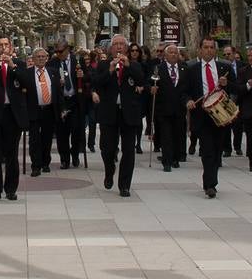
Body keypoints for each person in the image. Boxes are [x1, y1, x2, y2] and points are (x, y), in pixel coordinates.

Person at [92, 34, 145, 197]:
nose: (119, 47)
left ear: (127, 48)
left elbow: (141, 81)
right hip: (109, 112)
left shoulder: (134, 65)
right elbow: (96, 83)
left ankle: (124, 185)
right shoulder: (103, 65)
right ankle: (109, 171)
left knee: (129, 151)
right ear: (111, 48)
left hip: (129, 113)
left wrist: (128, 66)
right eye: (116, 44)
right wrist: (109, 71)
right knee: (107, 148)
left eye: (122, 44)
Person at [0, 35, 29, 202]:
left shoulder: (20, 65)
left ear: (10, 47)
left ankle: (11, 189)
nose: (3, 48)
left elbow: (27, 83)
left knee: (11, 154)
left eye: (5, 45)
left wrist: (13, 67)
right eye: (0, 45)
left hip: (12, 115)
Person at [186, 39, 232, 194]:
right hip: (201, 114)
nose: (209, 50)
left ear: (215, 50)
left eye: (212, 47)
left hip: (220, 114)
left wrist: (226, 85)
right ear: (200, 49)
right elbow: (184, 91)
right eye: (205, 47)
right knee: (207, 150)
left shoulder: (224, 67)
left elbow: (236, 88)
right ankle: (210, 184)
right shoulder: (191, 69)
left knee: (217, 149)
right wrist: (189, 100)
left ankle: (212, 179)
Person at [152, 44, 189, 174]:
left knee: (178, 134)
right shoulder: (158, 68)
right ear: (166, 55)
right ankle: (166, 161)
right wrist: (152, 89)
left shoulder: (184, 68)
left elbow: (187, 87)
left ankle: (175, 158)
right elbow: (151, 83)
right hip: (164, 108)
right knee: (166, 135)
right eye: (171, 52)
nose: (173, 55)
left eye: (175, 53)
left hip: (179, 108)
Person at [23, 47, 60, 176]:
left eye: (43, 56)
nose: (40, 59)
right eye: (38, 57)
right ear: (33, 59)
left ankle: (45, 163)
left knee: (47, 138)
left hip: (49, 110)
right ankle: (35, 165)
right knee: (34, 139)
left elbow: (58, 93)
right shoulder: (27, 73)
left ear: (47, 58)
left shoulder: (53, 72)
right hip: (33, 110)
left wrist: (61, 109)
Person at [50, 40, 85, 168]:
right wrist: (57, 83)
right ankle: (64, 159)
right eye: (56, 51)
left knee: (76, 130)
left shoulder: (78, 61)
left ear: (67, 50)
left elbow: (89, 78)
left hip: (74, 100)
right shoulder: (53, 63)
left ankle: (75, 155)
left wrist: (83, 75)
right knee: (62, 133)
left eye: (61, 51)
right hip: (61, 101)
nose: (58, 54)